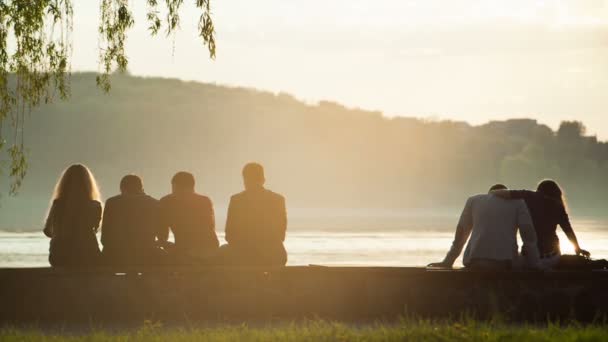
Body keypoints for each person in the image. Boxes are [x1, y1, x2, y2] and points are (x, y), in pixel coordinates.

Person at [428, 184, 541, 270]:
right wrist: (536, 264)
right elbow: (528, 236)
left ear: (489, 194)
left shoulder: (473, 201)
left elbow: (461, 233)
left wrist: (448, 261)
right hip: (506, 263)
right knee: (527, 260)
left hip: (475, 261)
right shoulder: (518, 203)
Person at [492, 180, 590, 269]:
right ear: (557, 193)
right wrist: (577, 248)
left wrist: (490, 195)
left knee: (518, 257)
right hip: (551, 258)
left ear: (539, 190)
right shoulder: (558, 206)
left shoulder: (528, 196)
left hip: (528, 258)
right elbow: (568, 231)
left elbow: (499, 193)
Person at [219, 162, 287, 266]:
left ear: (245, 179)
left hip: (243, 256)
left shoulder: (236, 200)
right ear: (263, 179)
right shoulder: (278, 199)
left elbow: (229, 234)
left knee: (221, 252)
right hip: (274, 255)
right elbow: (281, 234)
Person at [43, 164, 103, 267]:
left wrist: (60, 233)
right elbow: (95, 229)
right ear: (88, 184)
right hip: (88, 256)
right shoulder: (95, 206)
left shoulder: (58, 204)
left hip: (59, 257)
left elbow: (47, 231)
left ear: (64, 184)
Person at [100, 174, 165, 266]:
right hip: (146, 256)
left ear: (122, 189)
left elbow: (105, 238)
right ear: (141, 188)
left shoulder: (112, 203)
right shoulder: (154, 203)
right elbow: (162, 236)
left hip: (116, 257)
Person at [159, 172, 219, 264]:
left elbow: (162, 235)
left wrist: (167, 245)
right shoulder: (204, 201)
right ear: (192, 187)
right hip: (209, 249)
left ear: (174, 186)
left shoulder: (166, 202)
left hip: (185, 250)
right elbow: (210, 227)